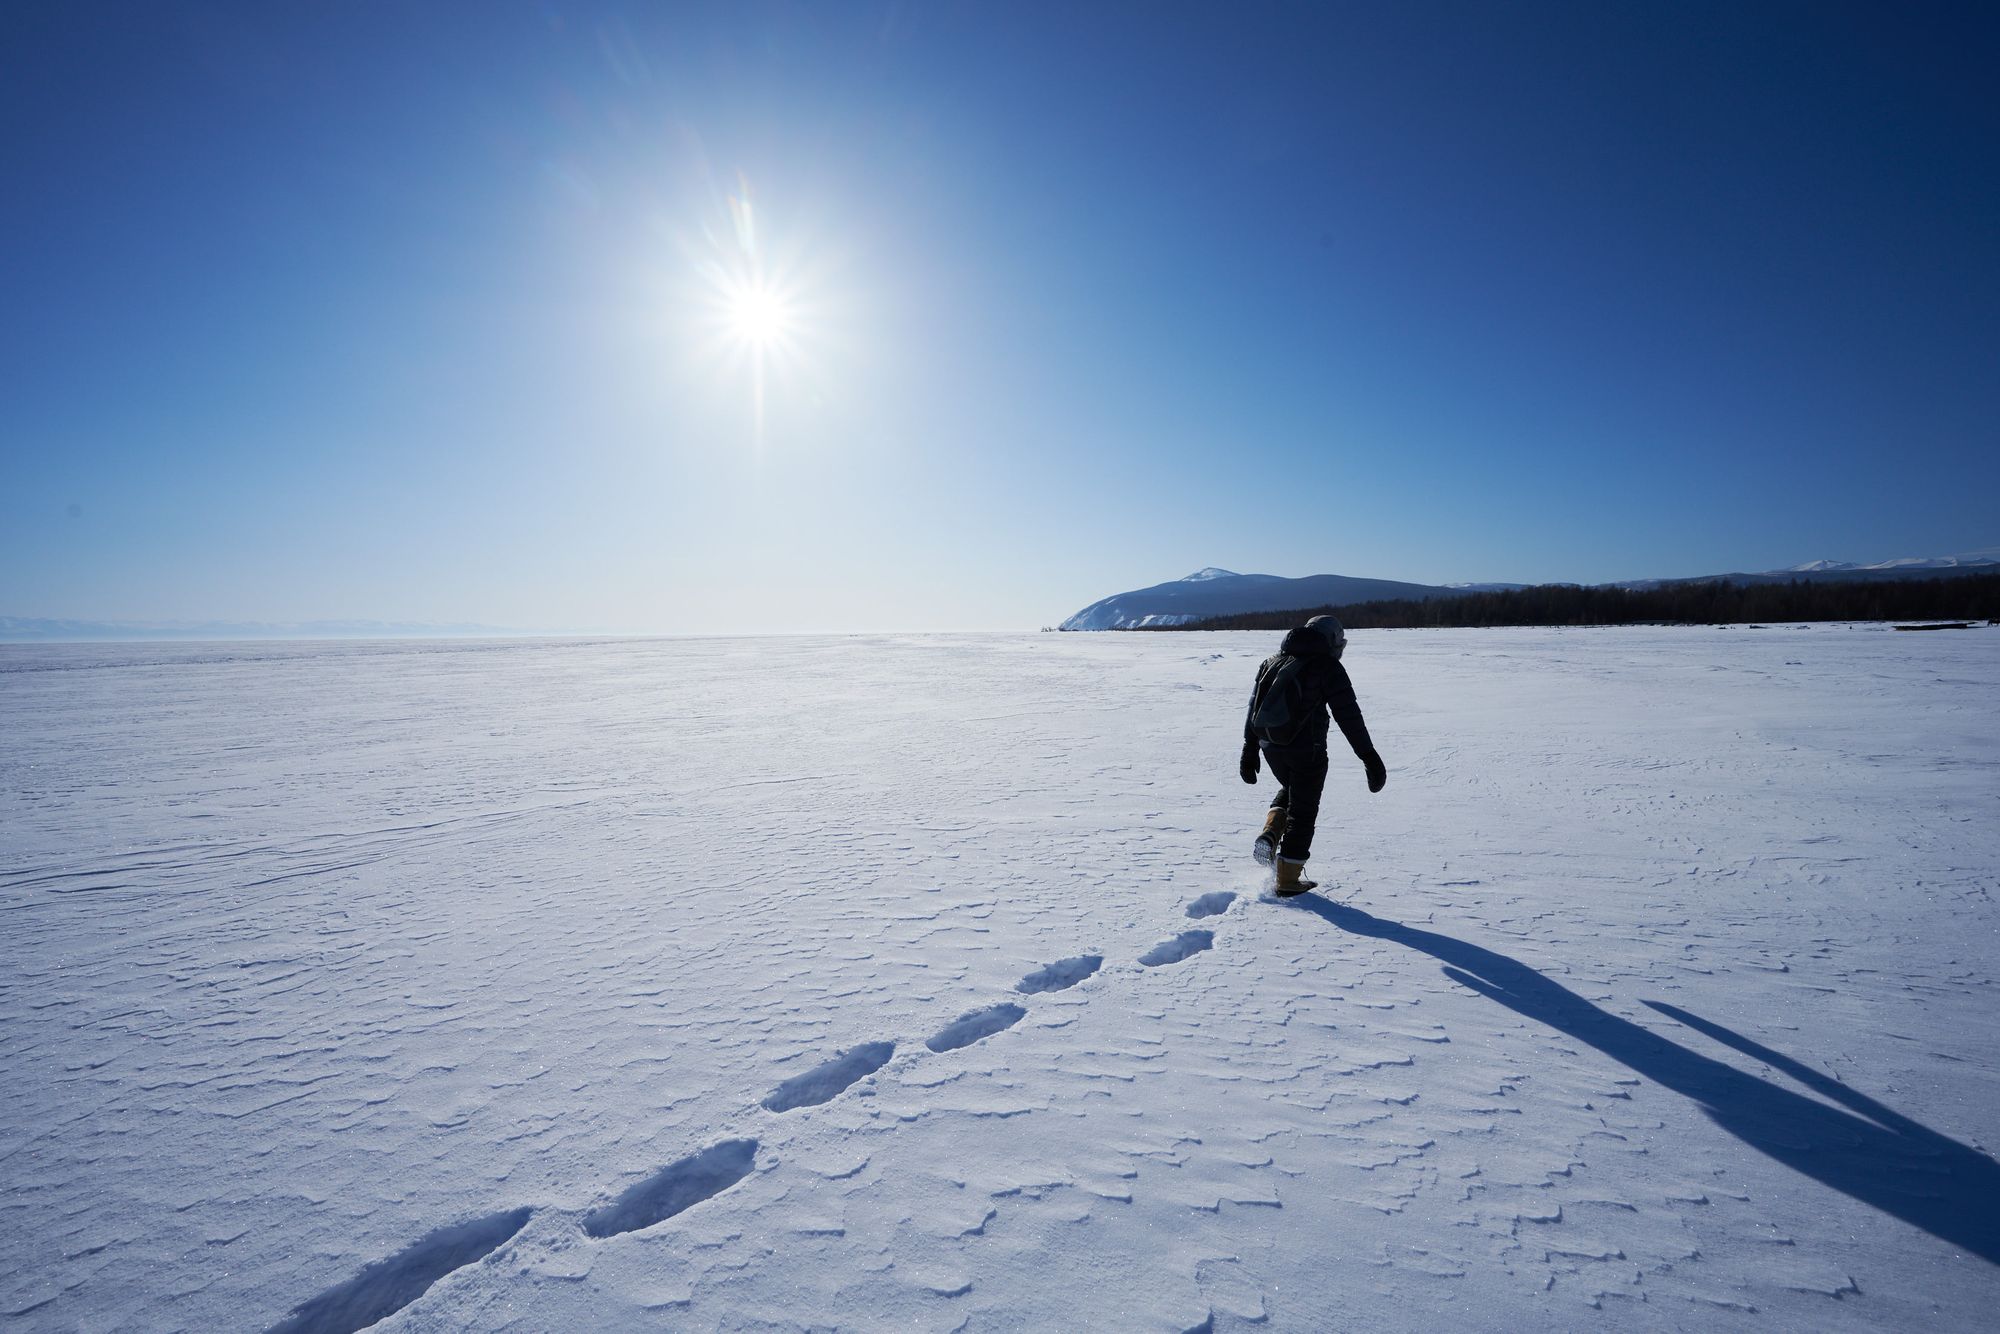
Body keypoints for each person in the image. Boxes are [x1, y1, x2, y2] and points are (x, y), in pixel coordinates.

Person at [1239, 615, 1387, 895]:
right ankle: (1288, 879)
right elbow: (1349, 715)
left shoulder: (1272, 661)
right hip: (1308, 749)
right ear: (1332, 641)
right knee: (1304, 811)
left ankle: (1271, 832)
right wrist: (1369, 757)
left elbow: (1252, 708)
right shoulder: (1328, 667)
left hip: (1271, 747)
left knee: (1292, 789)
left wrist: (1249, 750)